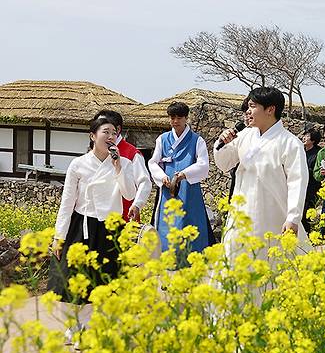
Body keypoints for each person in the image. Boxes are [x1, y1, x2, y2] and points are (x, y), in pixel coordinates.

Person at [48, 117, 136, 337]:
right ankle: (76, 325)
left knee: (106, 278)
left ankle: (95, 327)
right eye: (105, 132)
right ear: (92, 136)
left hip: (110, 228)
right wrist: (59, 235)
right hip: (82, 224)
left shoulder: (124, 163)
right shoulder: (78, 164)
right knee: (75, 277)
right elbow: (67, 202)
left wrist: (117, 167)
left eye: (114, 133)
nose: (111, 136)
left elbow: (129, 194)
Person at [214, 87, 310, 259]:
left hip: (272, 214)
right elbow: (224, 163)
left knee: (272, 261)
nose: (248, 112)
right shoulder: (245, 135)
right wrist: (221, 143)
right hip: (241, 211)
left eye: (252, 106)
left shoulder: (290, 143)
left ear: (270, 109)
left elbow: (297, 182)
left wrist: (293, 218)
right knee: (237, 260)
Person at [149, 102, 213, 255]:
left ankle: (192, 260)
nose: (175, 121)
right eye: (172, 118)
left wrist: (185, 174)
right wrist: (162, 177)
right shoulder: (162, 139)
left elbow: (203, 164)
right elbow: (153, 162)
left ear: (186, 118)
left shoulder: (197, 140)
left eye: (179, 117)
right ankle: (167, 259)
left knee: (189, 223)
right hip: (167, 190)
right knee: (167, 223)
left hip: (189, 190)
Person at [93, 110, 152, 223]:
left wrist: (137, 204)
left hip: (123, 216)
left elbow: (144, 182)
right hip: (95, 216)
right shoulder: (94, 152)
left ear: (118, 129)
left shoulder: (132, 153)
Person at [301, 128, 322, 234]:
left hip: (312, 188)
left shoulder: (318, 153)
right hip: (300, 186)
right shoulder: (301, 150)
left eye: (307, 136)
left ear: (313, 140)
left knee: (306, 214)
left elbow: (317, 171)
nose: (304, 138)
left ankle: (308, 236)